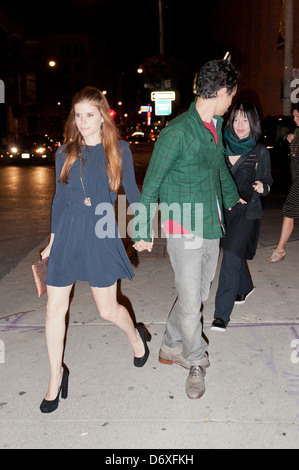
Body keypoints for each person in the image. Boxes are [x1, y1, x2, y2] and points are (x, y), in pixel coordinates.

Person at [133, 59, 240, 399]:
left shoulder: (215, 124)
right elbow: (151, 186)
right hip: (183, 227)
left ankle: (169, 345)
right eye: (231, 95)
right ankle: (195, 361)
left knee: (196, 296)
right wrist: (141, 230)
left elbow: (218, 167)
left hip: (211, 224)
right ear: (221, 92)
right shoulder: (176, 132)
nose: (232, 101)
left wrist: (233, 197)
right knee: (193, 302)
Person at [39, 86, 150, 414]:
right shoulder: (64, 152)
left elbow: (130, 193)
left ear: (103, 115)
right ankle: (55, 377)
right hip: (69, 233)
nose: (84, 122)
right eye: (78, 115)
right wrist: (51, 241)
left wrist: (139, 229)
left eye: (90, 115)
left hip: (101, 231)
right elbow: (59, 201)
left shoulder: (119, 150)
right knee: (54, 309)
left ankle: (135, 337)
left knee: (107, 309)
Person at [211, 100, 273, 332]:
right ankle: (244, 287)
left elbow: (268, 183)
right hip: (225, 210)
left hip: (247, 213)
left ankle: (221, 315)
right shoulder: (221, 146)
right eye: (236, 119)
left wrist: (261, 187)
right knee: (234, 254)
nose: (239, 124)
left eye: (245, 120)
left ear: (252, 123)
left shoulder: (259, 151)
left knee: (229, 258)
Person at [267, 106, 299, 262]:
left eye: (297, 115)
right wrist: (291, 141)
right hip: (296, 178)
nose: (294, 119)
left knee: (289, 208)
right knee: (290, 209)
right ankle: (280, 249)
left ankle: (280, 249)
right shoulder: (297, 133)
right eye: (294, 116)